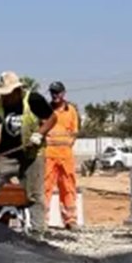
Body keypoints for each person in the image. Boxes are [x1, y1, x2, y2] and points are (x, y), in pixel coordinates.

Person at [0, 71, 58, 233]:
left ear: (17, 91)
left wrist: (40, 134)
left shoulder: (33, 100)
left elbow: (52, 118)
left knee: (35, 195)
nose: (5, 98)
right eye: (3, 94)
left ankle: (37, 233)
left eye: (8, 94)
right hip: (6, 155)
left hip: (32, 155)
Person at [44, 81, 80, 230]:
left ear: (63, 93)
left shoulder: (71, 110)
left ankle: (70, 220)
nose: (55, 95)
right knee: (45, 187)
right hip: (49, 155)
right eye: (52, 92)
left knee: (68, 187)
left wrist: (66, 145)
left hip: (66, 156)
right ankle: (41, 221)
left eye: (57, 92)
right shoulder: (45, 110)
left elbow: (74, 132)